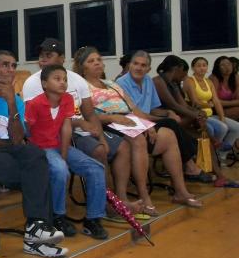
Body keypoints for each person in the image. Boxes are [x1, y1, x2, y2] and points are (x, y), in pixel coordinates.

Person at [0, 50, 68, 258]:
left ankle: (36, 230)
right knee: (37, 174)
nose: (11, 70)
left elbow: (18, 139)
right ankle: (38, 232)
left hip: (7, 150)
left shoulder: (15, 99)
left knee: (36, 155)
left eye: (13, 65)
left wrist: (11, 103)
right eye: (5, 65)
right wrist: (7, 143)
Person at [74, 46, 202, 211]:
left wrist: (146, 124)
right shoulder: (80, 87)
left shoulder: (111, 84)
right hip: (108, 124)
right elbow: (85, 115)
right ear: (82, 66)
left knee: (169, 134)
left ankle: (180, 191)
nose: (97, 63)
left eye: (99, 59)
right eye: (91, 61)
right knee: (138, 139)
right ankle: (143, 195)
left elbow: (133, 108)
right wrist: (112, 117)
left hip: (128, 121)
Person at [22, 39, 140, 216]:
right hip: (50, 139)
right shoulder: (33, 83)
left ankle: (104, 208)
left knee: (109, 150)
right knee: (74, 162)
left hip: (73, 134)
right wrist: (78, 125)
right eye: (40, 56)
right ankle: (63, 214)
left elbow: (89, 115)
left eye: (48, 55)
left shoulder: (75, 81)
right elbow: (37, 125)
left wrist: (100, 137)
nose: (42, 59)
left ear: (62, 58)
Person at [25, 65, 108, 239]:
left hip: (59, 145)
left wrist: (63, 154)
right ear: (44, 84)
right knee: (60, 170)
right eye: (57, 79)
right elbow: (28, 131)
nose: (62, 82)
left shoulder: (67, 99)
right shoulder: (35, 104)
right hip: (41, 148)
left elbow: (66, 129)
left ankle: (93, 219)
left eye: (64, 79)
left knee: (96, 169)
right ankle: (57, 216)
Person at [116, 51, 213, 183]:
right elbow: (134, 113)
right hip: (134, 123)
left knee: (172, 122)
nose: (139, 68)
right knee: (172, 124)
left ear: (148, 69)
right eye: (135, 64)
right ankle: (191, 164)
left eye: (143, 65)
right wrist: (166, 117)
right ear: (130, 65)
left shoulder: (148, 81)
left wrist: (167, 113)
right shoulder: (121, 83)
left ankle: (190, 165)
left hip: (149, 119)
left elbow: (153, 109)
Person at [154, 55, 236, 188]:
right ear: (176, 69)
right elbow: (174, 105)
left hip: (178, 120)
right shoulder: (158, 81)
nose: (183, 77)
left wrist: (198, 113)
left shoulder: (173, 83)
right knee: (200, 124)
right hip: (165, 121)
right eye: (182, 74)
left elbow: (183, 105)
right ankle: (214, 142)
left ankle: (220, 176)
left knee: (203, 136)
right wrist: (196, 115)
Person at [184, 57, 239, 159]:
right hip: (198, 116)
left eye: (204, 65)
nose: (202, 68)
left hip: (211, 115)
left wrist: (222, 117)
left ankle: (220, 155)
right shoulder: (189, 80)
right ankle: (210, 156)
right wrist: (208, 104)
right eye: (199, 66)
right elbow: (195, 102)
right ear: (193, 68)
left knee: (236, 127)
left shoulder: (208, 82)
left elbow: (216, 101)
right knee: (221, 128)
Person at [210, 56, 239, 121]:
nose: (227, 67)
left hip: (231, 108)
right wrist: (235, 102)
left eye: (229, 64)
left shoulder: (235, 76)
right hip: (217, 110)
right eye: (223, 65)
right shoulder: (214, 78)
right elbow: (215, 102)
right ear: (218, 68)